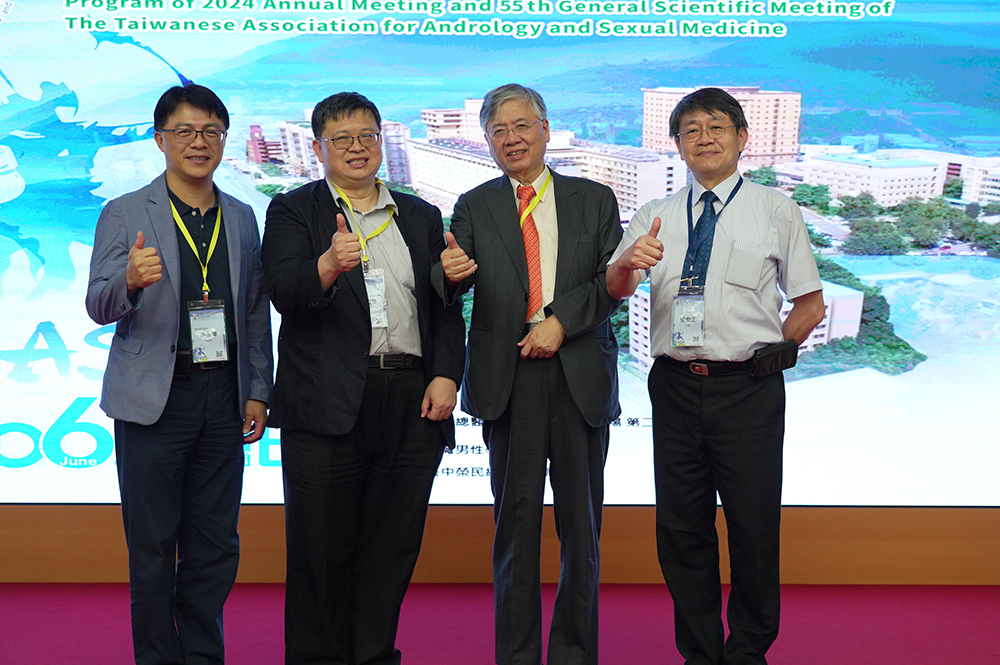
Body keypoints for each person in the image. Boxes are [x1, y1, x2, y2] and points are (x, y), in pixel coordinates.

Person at [606, 87, 826, 665]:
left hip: (748, 387)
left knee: (753, 526)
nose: (704, 138)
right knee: (681, 529)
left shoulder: (775, 209)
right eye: (692, 130)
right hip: (675, 385)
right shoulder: (654, 214)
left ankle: (748, 651)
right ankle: (700, 653)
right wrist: (627, 262)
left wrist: (773, 354)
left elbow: (809, 304)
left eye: (717, 127)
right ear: (678, 144)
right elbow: (616, 289)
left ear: (742, 138)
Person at [260, 91, 465, 665]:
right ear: (319, 148)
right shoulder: (294, 210)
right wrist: (328, 264)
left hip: (412, 400)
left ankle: (374, 655)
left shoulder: (419, 215)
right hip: (327, 402)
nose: (356, 148)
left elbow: (444, 309)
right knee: (320, 552)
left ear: (381, 140)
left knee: (391, 548)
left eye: (366, 136)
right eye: (341, 139)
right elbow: (284, 292)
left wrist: (447, 374)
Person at [433, 83, 623, 665]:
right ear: (487, 141)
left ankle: (573, 654)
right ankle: (515, 656)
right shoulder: (474, 205)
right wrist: (450, 272)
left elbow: (612, 282)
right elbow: (451, 281)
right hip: (507, 381)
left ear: (544, 129)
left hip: (578, 377)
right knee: (514, 530)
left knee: (581, 532)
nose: (511, 138)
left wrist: (560, 322)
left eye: (521, 126)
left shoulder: (595, 199)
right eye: (499, 130)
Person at [85, 84, 274, 665]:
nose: (199, 143)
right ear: (160, 139)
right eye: (185, 131)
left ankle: (202, 656)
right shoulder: (124, 211)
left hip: (223, 396)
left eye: (211, 132)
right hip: (153, 401)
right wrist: (129, 282)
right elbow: (97, 304)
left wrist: (257, 390)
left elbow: (253, 310)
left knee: (215, 546)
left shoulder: (240, 215)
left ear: (223, 139)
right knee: (153, 549)